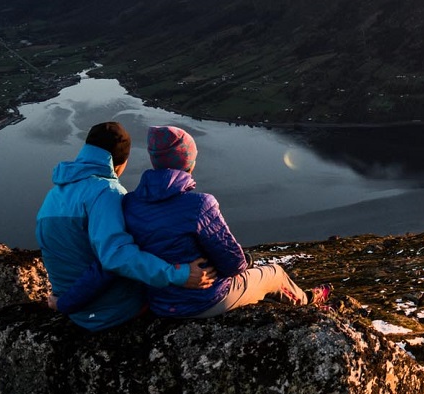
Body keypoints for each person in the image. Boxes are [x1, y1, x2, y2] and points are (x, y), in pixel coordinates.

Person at [124, 125, 328, 317]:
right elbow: (234, 265)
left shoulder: (130, 203)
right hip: (205, 300)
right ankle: (308, 303)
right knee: (274, 273)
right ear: (188, 161)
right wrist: (247, 260)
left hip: (159, 303)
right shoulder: (200, 205)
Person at [36, 120, 215, 330]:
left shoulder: (53, 195)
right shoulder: (107, 192)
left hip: (77, 309)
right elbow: (117, 256)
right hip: (112, 310)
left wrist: (64, 301)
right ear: (119, 162)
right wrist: (178, 274)